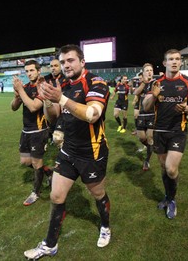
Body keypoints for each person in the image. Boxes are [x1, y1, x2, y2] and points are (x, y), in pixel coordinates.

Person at [23, 44, 111, 259]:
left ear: (82, 62)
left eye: (70, 60)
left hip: (92, 151)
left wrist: (61, 98)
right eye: (62, 62)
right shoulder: (61, 84)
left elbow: (91, 114)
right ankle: (50, 245)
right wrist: (47, 100)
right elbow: (54, 117)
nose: (66, 65)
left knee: (97, 193)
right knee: (56, 195)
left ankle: (106, 226)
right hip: (68, 150)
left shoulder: (97, 82)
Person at [143, 49, 188, 219]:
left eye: (177, 59)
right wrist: (153, 96)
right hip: (159, 131)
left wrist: (186, 108)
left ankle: (172, 199)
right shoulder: (156, 83)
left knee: (170, 168)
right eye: (171, 59)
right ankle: (168, 196)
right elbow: (146, 107)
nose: (174, 62)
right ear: (164, 63)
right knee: (163, 167)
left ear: (181, 62)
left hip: (178, 131)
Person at [11, 60, 53, 206]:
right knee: (25, 161)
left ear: (39, 71)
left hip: (39, 130)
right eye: (27, 71)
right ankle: (49, 173)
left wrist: (21, 91)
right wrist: (17, 95)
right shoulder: (26, 87)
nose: (29, 74)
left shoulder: (43, 87)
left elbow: (34, 107)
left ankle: (36, 192)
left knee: (36, 163)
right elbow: (13, 107)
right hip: (26, 130)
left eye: (32, 70)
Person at [133, 64, 157, 171]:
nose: (149, 72)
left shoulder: (155, 83)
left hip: (152, 114)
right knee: (142, 138)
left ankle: (146, 160)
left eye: (151, 70)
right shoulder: (142, 84)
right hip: (142, 115)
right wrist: (144, 83)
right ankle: (149, 147)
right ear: (143, 72)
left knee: (150, 137)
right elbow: (135, 92)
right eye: (147, 70)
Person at [44, 58, 67, 148]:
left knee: (59, 136)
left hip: (62, 110)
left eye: (56, 66)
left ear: (61, 67)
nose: (53, 68)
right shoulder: (45, 79)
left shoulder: (66, 79)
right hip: (49, 109)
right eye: (51, 66)